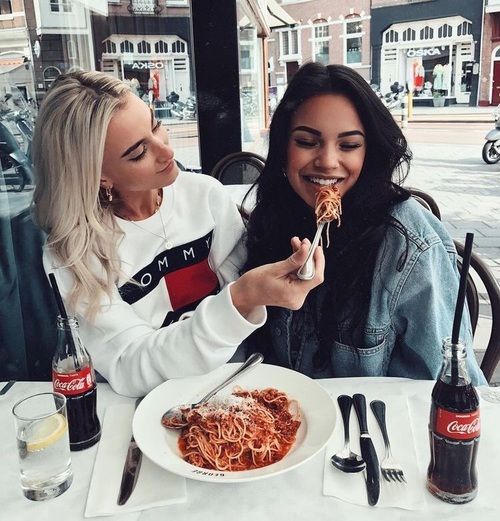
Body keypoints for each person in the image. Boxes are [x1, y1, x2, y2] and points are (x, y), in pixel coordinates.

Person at [32, 71, 324, 397]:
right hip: (150, 404)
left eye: (156, 125)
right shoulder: (74, 251)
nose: (167, 151)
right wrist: (242, 299)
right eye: (138, 152)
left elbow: (246, 278)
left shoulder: (205, 194)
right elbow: (130, 365)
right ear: (99, 176)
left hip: (240, 384)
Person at [243, 62, 486, 385]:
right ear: (283, 147)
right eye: (307, 141)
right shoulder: (272, 218)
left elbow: (452, 382)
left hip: (381, 416)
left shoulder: (407, 243)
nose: (328, 161)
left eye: (349, 145)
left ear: (368, 152)